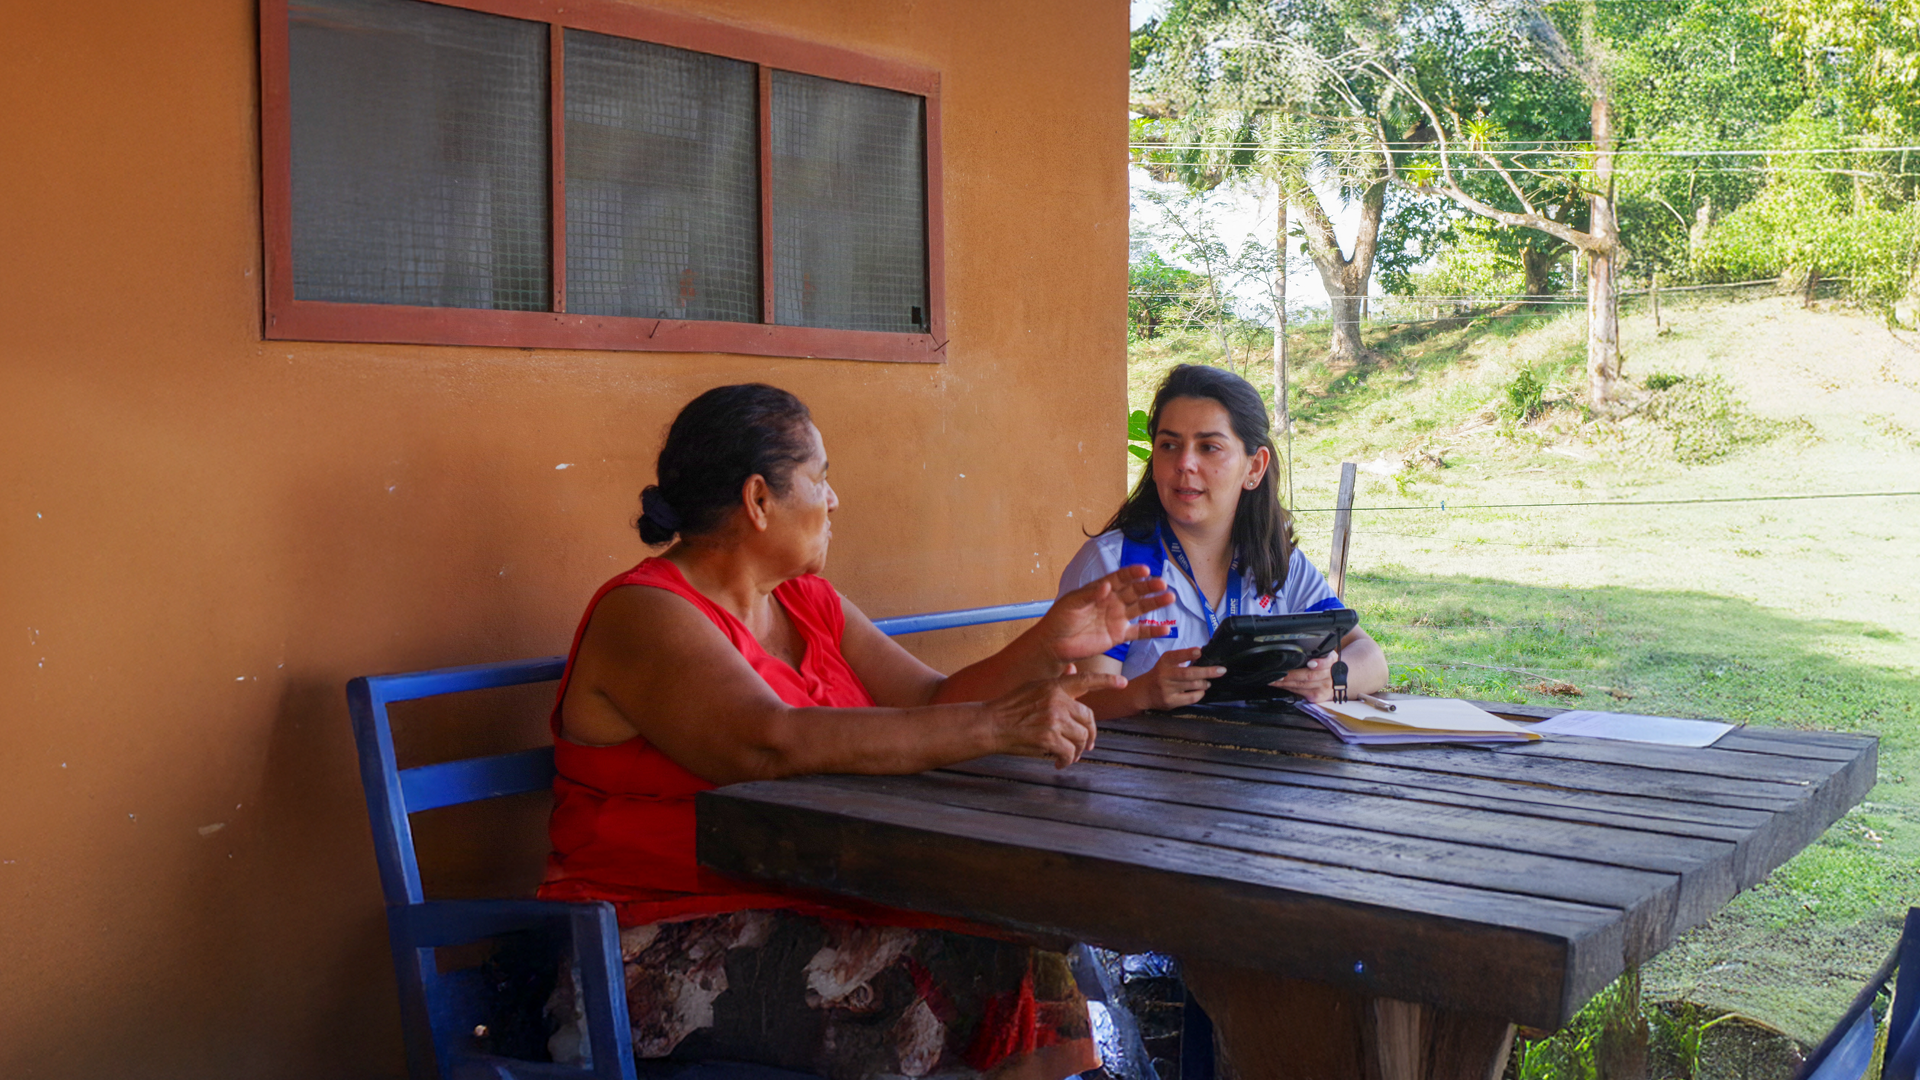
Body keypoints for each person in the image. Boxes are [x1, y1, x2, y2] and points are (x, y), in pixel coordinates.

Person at [537, 383, 1175, 1080]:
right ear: (759, 499)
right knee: (966, 977)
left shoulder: (808, 601)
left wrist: (1045, 644)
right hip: (657, 943)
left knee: (1025, 951)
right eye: (821, 478)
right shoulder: (643, 613)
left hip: (813, 899)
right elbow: (770, 742)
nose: (834, 500)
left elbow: (930, 701)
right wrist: (995, 724)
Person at [1059, 363, 1387, 719]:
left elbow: (1370, 657)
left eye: (1209, 447)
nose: (1185, 463)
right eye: (1169, 445)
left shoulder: (1277, 559)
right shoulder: (1113, 563)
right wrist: (1143, 694)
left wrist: (1332, 678)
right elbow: (1074, 705)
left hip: (1265, 753)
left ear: (1254, 467)